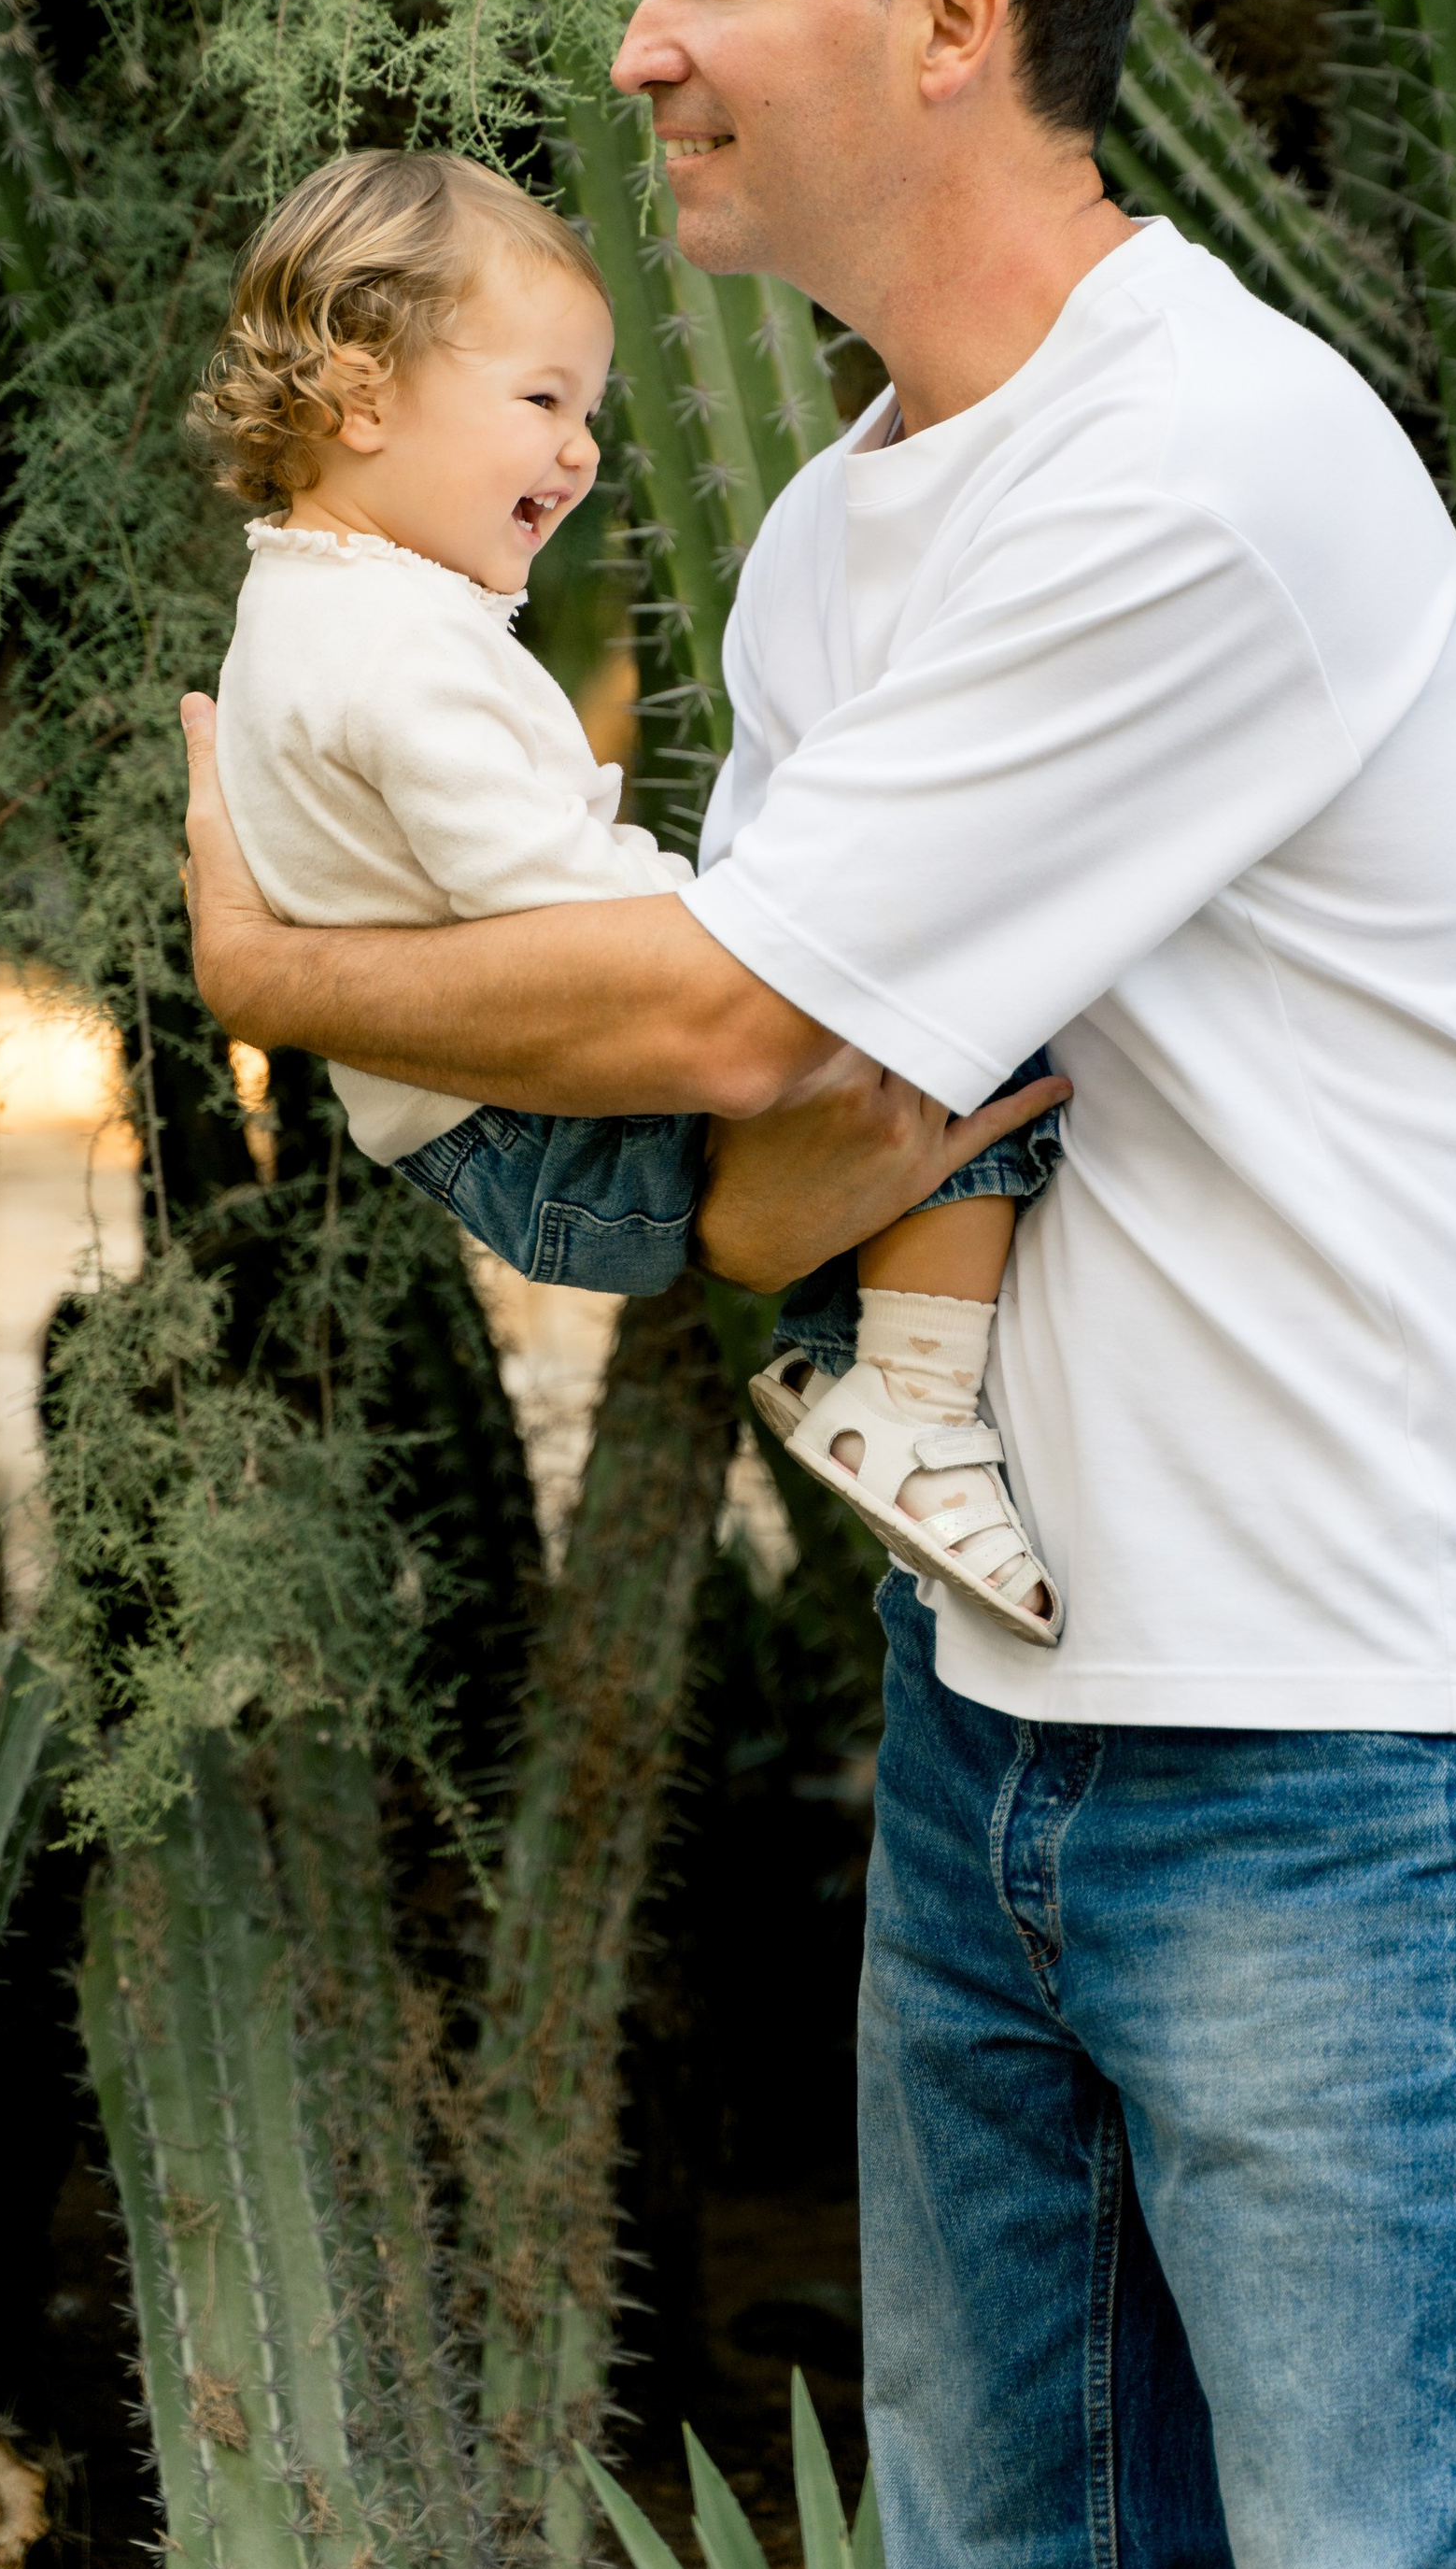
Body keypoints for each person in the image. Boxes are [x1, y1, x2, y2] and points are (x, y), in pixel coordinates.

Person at [183, 0, 1456, 2569]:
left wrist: (278, 970)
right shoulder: (838, 537)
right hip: (999, 1713)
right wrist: (739, 1118)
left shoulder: (1199, 469)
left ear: (952, 19)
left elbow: (723, 1014)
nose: (634, 49)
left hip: (1338, 1725)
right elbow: (764, 1183)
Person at [196, 141, 1067, 1638]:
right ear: (359, 394)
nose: (581, 450)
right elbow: (580, 939)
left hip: (492, 1132)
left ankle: (831, 1352)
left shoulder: (309, 603)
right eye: (540, 400)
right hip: (551, 1139)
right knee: (963, 1021)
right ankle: (912, 1401)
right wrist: (781, 948)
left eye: (589, 410)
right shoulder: (406, 659)